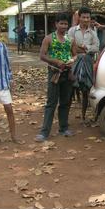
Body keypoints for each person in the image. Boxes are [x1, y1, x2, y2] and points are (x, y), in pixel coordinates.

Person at [35, 13, 77, 142]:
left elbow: (75, 55)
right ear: (56, 24)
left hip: (67, 73)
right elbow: (42, 56)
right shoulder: (49, 39)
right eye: (61, 24)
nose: (64, 26)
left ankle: (63, 128)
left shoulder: (71, 39)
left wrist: (71, 60)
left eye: (66, 24)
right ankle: (44, 132)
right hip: (54, 73)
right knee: (51, 102)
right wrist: (55, 62)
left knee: (65, 102)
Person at [68, 7, 100, 118]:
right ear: (79, 18)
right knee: (70, 88)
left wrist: (84, 47)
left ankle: (83, 116)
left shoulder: (92, 32)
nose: (86, 19)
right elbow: (70, 47)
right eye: (84, 17)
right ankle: (66, 117)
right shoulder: (72, 31)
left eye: (88, 17)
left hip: (87, 62)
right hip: (74, 62)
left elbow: (96, 47)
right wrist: (84, 49)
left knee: (86, 90)